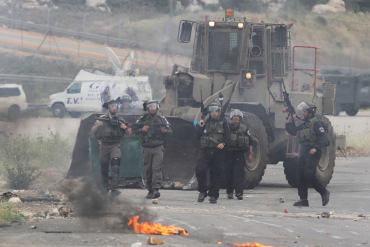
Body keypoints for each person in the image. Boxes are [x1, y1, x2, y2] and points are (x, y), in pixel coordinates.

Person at [285, 102, 330, 207]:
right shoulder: (305, 124)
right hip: (304, 151)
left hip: (313, 151)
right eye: (303, 111)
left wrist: (316, 147)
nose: (303, 113)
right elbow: (293, 131)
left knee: (309, 174)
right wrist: (288, 122)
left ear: (310, 112)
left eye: (305, 111)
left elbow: (323, 137)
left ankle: (323, 192)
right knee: (300, 175)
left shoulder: (317, 123)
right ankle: (303, 199)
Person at [91, 99, 131, 196]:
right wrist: (98, 125)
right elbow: (92, 131)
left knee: (115, 165)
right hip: (104, 144)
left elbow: (129, 134)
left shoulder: (120, 119)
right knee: (104, 167)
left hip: (115, 145)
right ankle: (105, 187)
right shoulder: (102, 119)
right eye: (112, 106)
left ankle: (115, 188)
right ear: (109, 108)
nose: (114, 108)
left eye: (115, 106)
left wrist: (124, 127)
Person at [133, 100, 172, 199]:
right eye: (150, 106)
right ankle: (150, 190)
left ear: (157, 108)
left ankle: (156, 190)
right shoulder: (142, 120)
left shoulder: (162, 119)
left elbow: (170, 131)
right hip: (146, 148)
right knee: (148, 169)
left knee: (156, 168)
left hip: (158, 147)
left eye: (154, 106)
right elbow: (133, 130)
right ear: (147, 108)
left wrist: (165, 131)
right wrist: (142, 129)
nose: (153, 108)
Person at [195, 102, 231, 204]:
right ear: (209, 112)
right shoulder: (204, 122)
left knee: (216, 174)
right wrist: (200, 126)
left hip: (218, 152)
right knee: (200, 170)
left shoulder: (223, 123)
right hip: (205, 151)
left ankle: (213, 195)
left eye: (216, 111)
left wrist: (223, 143)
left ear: (218, 112)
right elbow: (197, 136)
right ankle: (202, 191)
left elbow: (228, 137)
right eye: (212, 111)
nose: (214, 113)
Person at [225, 109, 253, 200]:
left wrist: (250, 154)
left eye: (237, 116)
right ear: (231, 118)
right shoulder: (227, 128)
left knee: (239, 174)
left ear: (240, 118)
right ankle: (229, 192)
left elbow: (250, 141)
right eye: (234, 116)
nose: (236, 117)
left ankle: (239, 193)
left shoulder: (244, 128)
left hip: (240, 154)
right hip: (229, 154)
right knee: (229, 173)